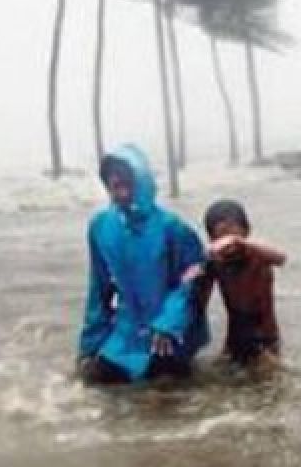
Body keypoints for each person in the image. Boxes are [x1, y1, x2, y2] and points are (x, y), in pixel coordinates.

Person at [77, 144, 210, 383]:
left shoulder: (173, 228)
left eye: (127, 184)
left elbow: (192, 281)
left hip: (168, 332)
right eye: (114, 186)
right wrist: (89, 346)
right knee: (94, 387)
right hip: (126, 332)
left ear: (142, 181)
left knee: (168, 396)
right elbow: (99, 289)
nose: (122, 194)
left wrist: (169, 322)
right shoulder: (101, 227)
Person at [195, 199, 287, 371]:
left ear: (247, 232)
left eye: (235, 236)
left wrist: (243, 243)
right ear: (212, 239)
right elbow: (200, 300)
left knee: (269, 379)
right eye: (222, 237)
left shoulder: (258, 256)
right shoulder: (216, 263)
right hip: (234, 337)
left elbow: (281, 258)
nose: (230, 244)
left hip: (265, 338)